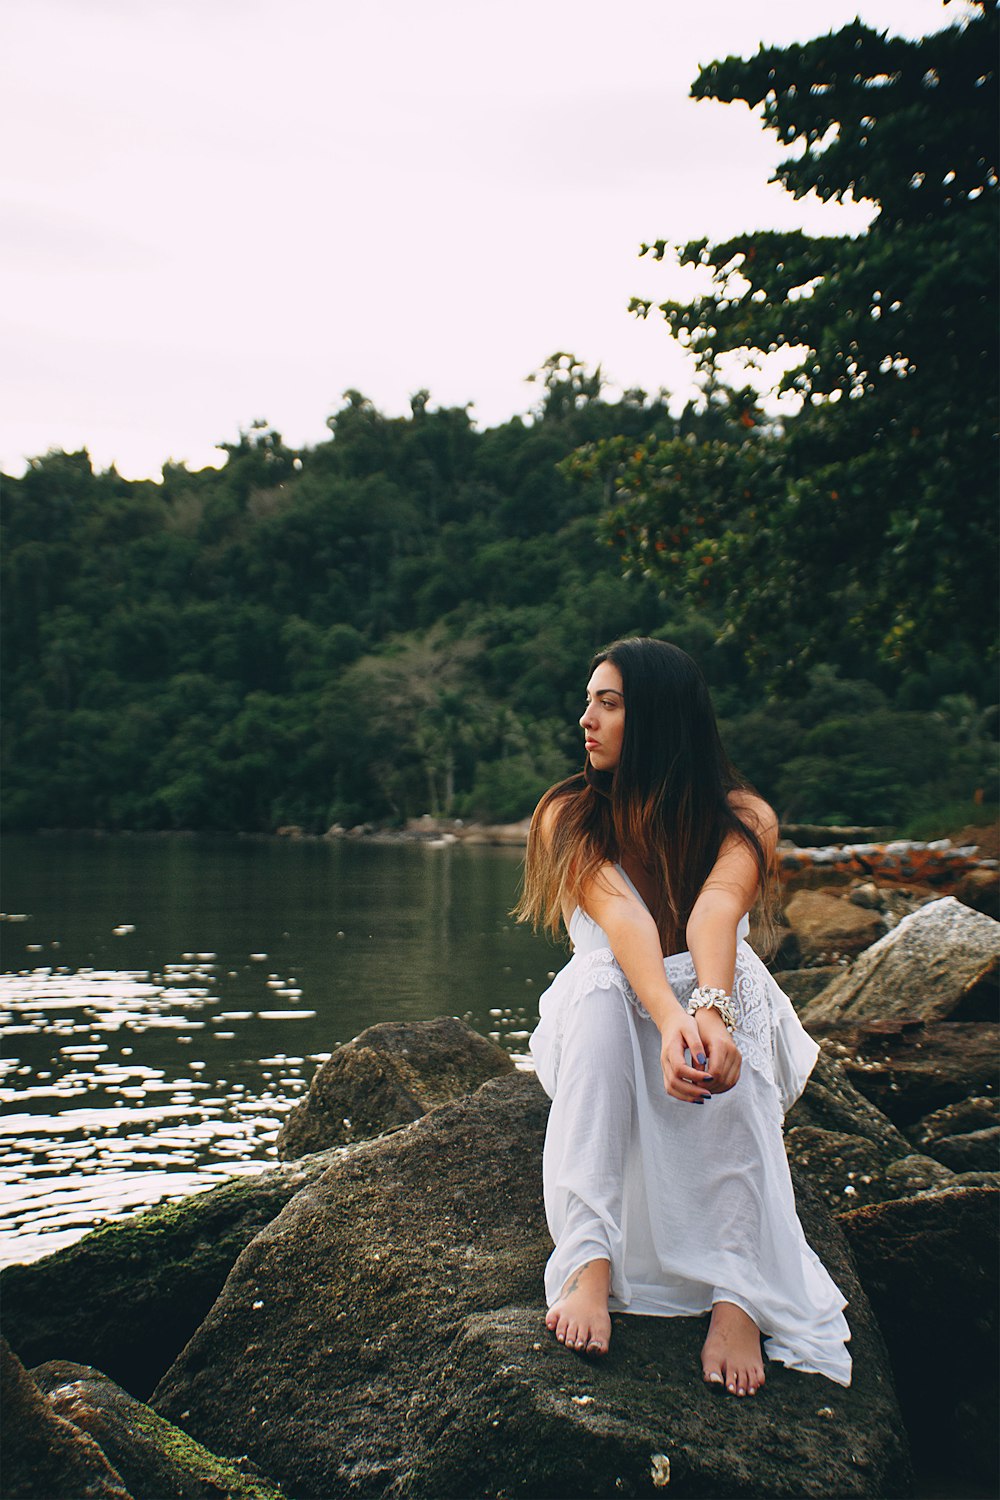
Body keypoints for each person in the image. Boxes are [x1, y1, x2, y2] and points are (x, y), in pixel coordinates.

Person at [516, 638, 851, 1395]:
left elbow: (716, 911)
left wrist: (712, 1011)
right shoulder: (567, 813)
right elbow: (624, 922)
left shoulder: (741, 815)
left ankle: (737, 1294)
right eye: (589, 701)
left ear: (660, 716)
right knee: (602, 977)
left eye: (609, 703)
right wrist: (674, 1020)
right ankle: (589, 1262)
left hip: (710, 987)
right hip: (614, 1011)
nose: (585, 720)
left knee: (739, 984)